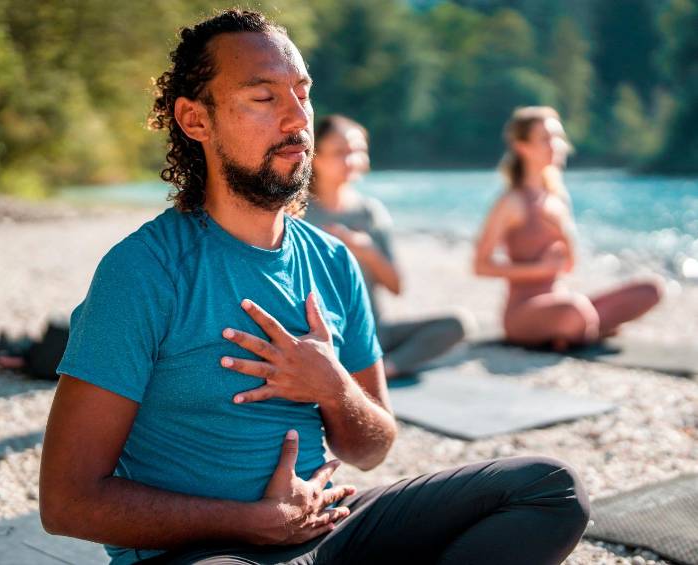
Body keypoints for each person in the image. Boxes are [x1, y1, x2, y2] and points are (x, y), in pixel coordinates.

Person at [39, 12, 589, 565]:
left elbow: (372, 449)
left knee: (550, 490)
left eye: (302, 93)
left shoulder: (332, 260)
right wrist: (251, 523)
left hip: (326, 529)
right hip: (204, 553)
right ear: (194, 119)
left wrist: (333, 388)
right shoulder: (143, 271)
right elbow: (67, 502)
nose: (297, 118)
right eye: (263, 98)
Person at [474, 106, 663, 350]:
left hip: (560, 303)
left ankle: (577, 331)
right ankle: (583, 329)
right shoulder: (512, 201)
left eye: (558, 138)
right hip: (523, 314)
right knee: (575, 310)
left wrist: (565, 234)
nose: (556, 145)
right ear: (522, 147)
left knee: (651, 289)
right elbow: (480, 266)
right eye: (545, 139)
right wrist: (539, 269)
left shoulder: (558, 197)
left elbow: (568, 266)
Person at [303, 115, 470, 378]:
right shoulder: (298, 213)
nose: (351, 160)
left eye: (357, 151)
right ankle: (358, 371)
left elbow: (396, 286)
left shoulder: (370, 213)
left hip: (373, 334)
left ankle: (383, 369)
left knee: (457, 324)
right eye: (340, 152)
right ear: (315, 156)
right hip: (319, 334)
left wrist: (366, 251)